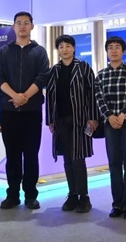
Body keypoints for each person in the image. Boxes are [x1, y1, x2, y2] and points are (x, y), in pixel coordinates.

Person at [0, 11, 50, 210]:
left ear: (32, 26)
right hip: (9, 110)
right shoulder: (4, 51)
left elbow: (43, 77)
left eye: (26, 23)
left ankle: (31, 195)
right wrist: (15, 96)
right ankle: (12, 195)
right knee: (12, 154)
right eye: (19, 23)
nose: (22, 26)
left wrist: (25, 96)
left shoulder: (39, 51)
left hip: (32, 111)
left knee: (31, 154)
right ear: (13, 26)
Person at [46, 35, 98, 213]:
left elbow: (92, 93)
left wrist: (93, 117)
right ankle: (72, 195)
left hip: (80, 120)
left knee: (78, 159)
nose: (65, 49)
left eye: (68, 46)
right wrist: (50, 120)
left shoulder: (83, 67)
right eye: (61, 47)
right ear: (58, 50)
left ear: (74, 48)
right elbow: (50, 96)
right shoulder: (54, 70)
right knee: (67, 159)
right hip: (60, 120)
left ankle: (84, 197)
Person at [95, 36, 126, 220]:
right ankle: (117, 204)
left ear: (123, 51)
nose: (113, 50)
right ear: (107, 51)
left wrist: (122, 115)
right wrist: (109, 116)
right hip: (110, 123)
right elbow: (99, 98)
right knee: (114, 164)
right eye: (110, 47)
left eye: (117, 47)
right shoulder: (101, 75)